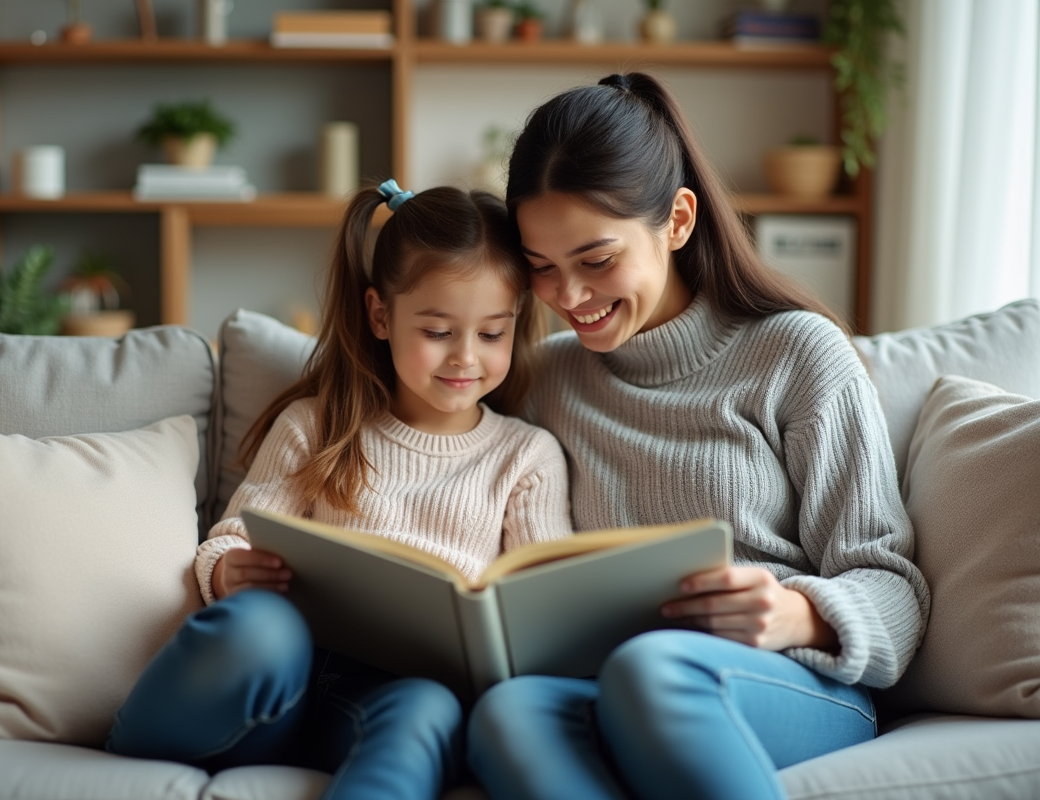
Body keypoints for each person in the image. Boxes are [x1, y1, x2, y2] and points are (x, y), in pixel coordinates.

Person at [465, 72, 930, 800]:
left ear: (677, 221)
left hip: (778, 683)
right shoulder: (544, 379)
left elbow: (894, 587)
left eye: (597, 260)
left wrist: (796, 613)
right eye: (541, 270)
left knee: (652, 671)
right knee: (506, 715)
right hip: (609, 682)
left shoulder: (795, 354)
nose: (571, 299)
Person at [105, 180, 573, 800]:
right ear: (381, 315)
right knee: (260, 627)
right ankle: (130, 749)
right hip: (278, 681)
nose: (466, 357)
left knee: (427, 708)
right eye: (437, 331)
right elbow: (232, 537)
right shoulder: (316, 425)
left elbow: (547, 600)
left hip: (388, 702)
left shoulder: (525, 455)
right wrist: (230, 573)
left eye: (492, 334)